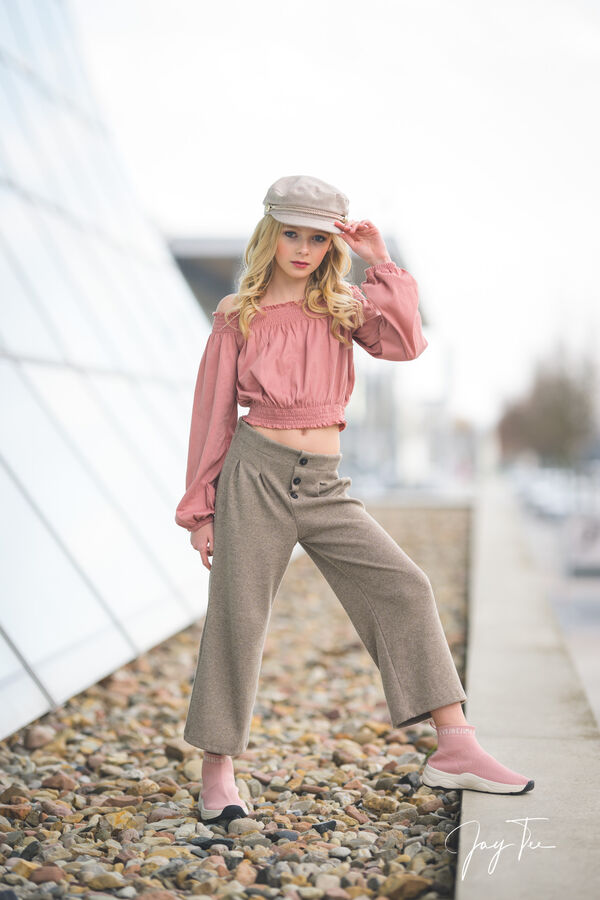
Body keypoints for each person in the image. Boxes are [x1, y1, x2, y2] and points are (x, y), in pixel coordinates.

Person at [175, 175, 534, 823]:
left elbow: (408, 343)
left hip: (324, 481)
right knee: (236, 619)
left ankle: (455, 745)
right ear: (270, 233)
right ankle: (218, 772)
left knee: (404, 585)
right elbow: (212, 418)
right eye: (292, 234)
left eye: (318, 237)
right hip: (255, 475)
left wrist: (382, 259)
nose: (304, 249)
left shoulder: (344, 305)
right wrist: (201, 509)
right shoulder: (238, 314)